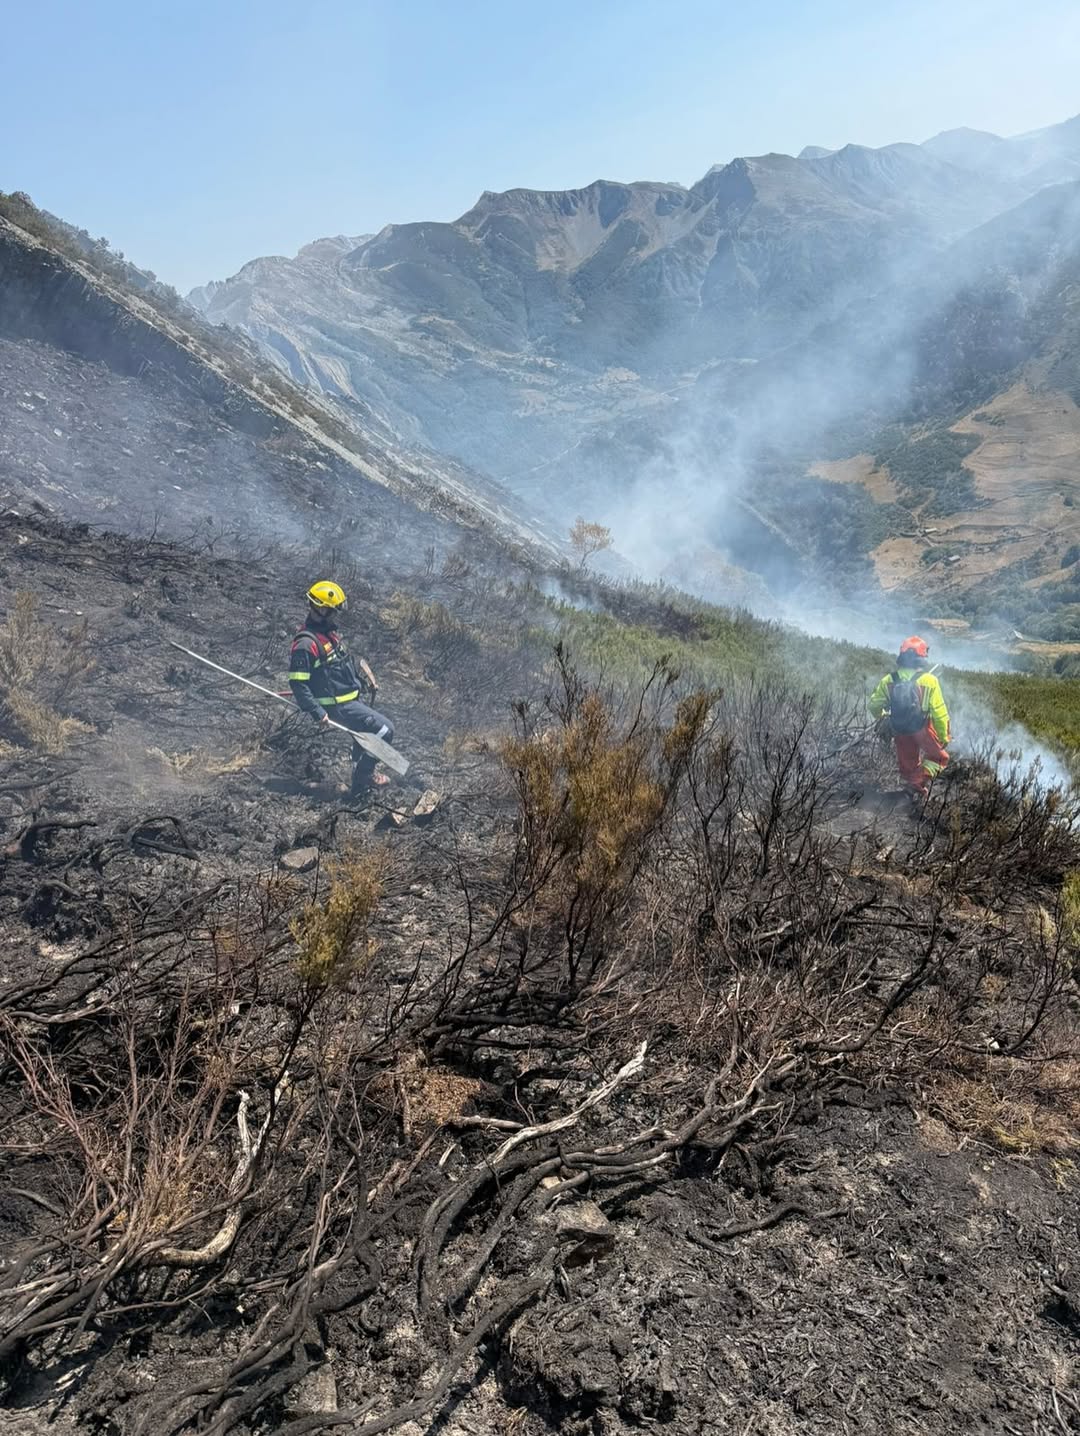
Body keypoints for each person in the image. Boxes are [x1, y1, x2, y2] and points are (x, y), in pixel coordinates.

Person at [287, 581, 395, 796]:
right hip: (338, 707)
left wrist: (362, 681)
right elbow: (298, 684)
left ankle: (358, 781)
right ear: (321, 608)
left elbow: (339, 665)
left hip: (350, 701)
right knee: (385, 730)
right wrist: (318, 713)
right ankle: (364, 775)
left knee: (363, 734)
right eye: (332, 610)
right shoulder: (306, 644)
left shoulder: (328, 635)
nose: (335, 616)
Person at [868, 636, 950, 798]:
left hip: (900, 729)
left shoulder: (889, 680)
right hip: (922, 728)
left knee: (908, 764)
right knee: (939, 759)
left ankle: (912, 792)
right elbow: (939, 713)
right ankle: (916, 785)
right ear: (922, 658)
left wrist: (883, 716)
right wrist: (944, 736)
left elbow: (873, 706)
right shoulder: (929, 681)